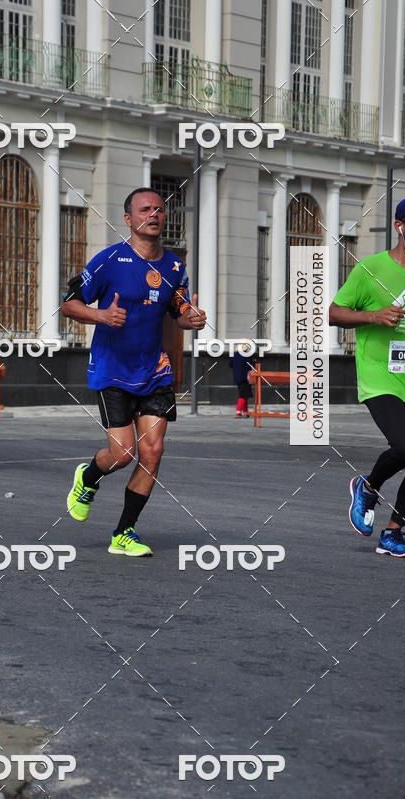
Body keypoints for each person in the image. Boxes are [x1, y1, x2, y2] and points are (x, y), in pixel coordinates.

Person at [61, 187, 207, 557]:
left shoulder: (174, 267)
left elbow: (180, 311)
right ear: (128, 219)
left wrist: (191, 319)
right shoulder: (109, 261)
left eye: (159, 209)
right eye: (145, 209)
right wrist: (101, 315)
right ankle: (88, 477)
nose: (153, 214)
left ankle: (124, 532)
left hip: (154, 371)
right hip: (112, 370)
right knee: (123, 453)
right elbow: (69, 305)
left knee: (153, 452)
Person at [329, 195, 405, 558]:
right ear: (400, 226)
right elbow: (334, 313)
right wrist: (374, 316)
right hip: (378, 377)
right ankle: (368, 487)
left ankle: (393, 532)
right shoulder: (370, 269)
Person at [230, 346, 256, 418]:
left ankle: (245, 412)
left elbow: (230, 364)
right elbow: (250, 366)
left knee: (244, 394)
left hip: (237, 377)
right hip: (245, 378)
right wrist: (254, 362)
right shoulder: (247, 355)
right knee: (243, 395)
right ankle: (238, 412)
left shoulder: (235, 354)